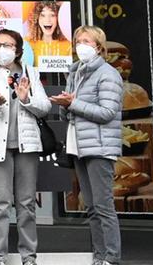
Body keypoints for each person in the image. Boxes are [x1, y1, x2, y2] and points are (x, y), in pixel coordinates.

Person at [0, 29, 50, 265]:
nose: (2, 49)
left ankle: (29, 257)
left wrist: (26, 98)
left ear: (18, 50)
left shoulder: (30, 73)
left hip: (27, 147)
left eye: (8, 45)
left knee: (26, 203)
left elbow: (45, 107)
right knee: (1, 203)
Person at [49, 25, 123, 265]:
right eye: (78, 40)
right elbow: (71, 112)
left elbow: (108, 112)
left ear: (98, 47)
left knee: (103, 207)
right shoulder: (76, 72)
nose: (81, 45)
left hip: (99, 148)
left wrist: (74, 103)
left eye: (87, 41)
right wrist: (64, 104)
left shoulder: (108, 74)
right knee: (91, 207)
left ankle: (111, 258)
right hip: (78, 146)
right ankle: (99, 257)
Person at [26, 2, 71, 67]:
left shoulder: (68, 45)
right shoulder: (27, 43)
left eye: (52, 15)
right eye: (43, 15)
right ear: (36, 18)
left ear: (58, 18)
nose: (47, 20)